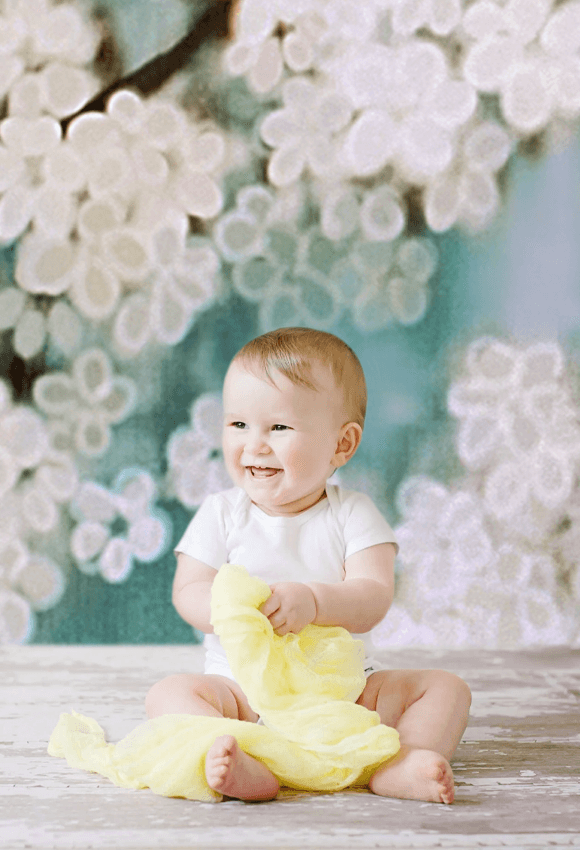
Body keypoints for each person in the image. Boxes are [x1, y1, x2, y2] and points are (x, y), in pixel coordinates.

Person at [146, 327, 471, 804]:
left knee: (447, 689)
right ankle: (246, 759)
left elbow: (373, 596)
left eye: (278, 428)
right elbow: (189, 589)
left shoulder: (353, 514)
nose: (254, 444)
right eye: (238, 425)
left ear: (342, 445)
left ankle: (402, 762)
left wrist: (314, 601)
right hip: (241, 693)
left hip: (342, 695)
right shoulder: (221, 513)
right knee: (168, 694)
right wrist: (238, 615)